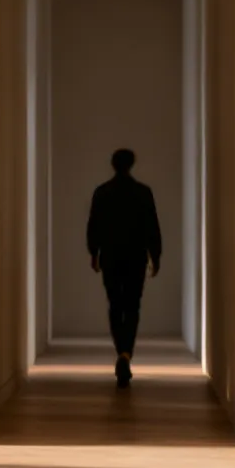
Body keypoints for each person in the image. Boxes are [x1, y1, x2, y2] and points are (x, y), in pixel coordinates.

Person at [86, 148, 162, 387]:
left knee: (115, 304)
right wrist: (155, 256)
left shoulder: (102, 192)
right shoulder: (143, 193)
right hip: (135, 257)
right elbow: (152, 227)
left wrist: (94, 253)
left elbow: (93, 226)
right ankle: (126, 353)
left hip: (111, 256)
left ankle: (121, 352)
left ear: (113, 164)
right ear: (131, 165)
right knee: (132, 304)